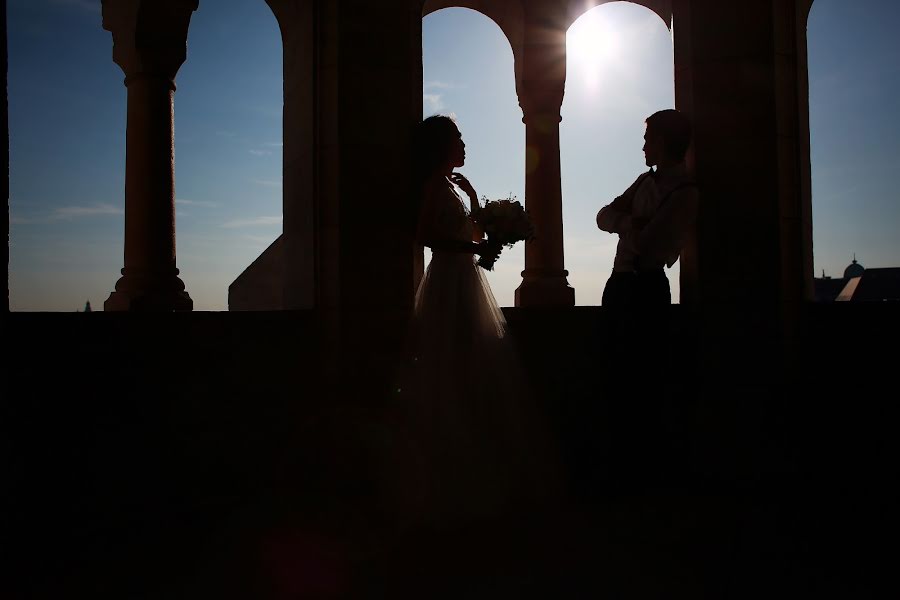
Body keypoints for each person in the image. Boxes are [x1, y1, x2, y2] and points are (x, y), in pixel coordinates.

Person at [386, 115, 558, 528]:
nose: (464, 144)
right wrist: (466, 247)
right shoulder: (433, 185)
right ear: (442, 146)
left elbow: (473, 235)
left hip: (462, 274)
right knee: (452, 365)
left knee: (471, 368)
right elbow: (423, 235)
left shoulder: (451, 185)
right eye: (458, 139)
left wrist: (478, 205)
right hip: (450, 277)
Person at [596, 109, 699, 307]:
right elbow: (602, 218)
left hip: (648, 292)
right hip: (618, 285)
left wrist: (621, 225)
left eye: (646, 140)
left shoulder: (686, 193)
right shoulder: (644, 181)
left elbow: (647, 244)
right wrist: (632, 223)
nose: (643, 148)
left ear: (659, 143)